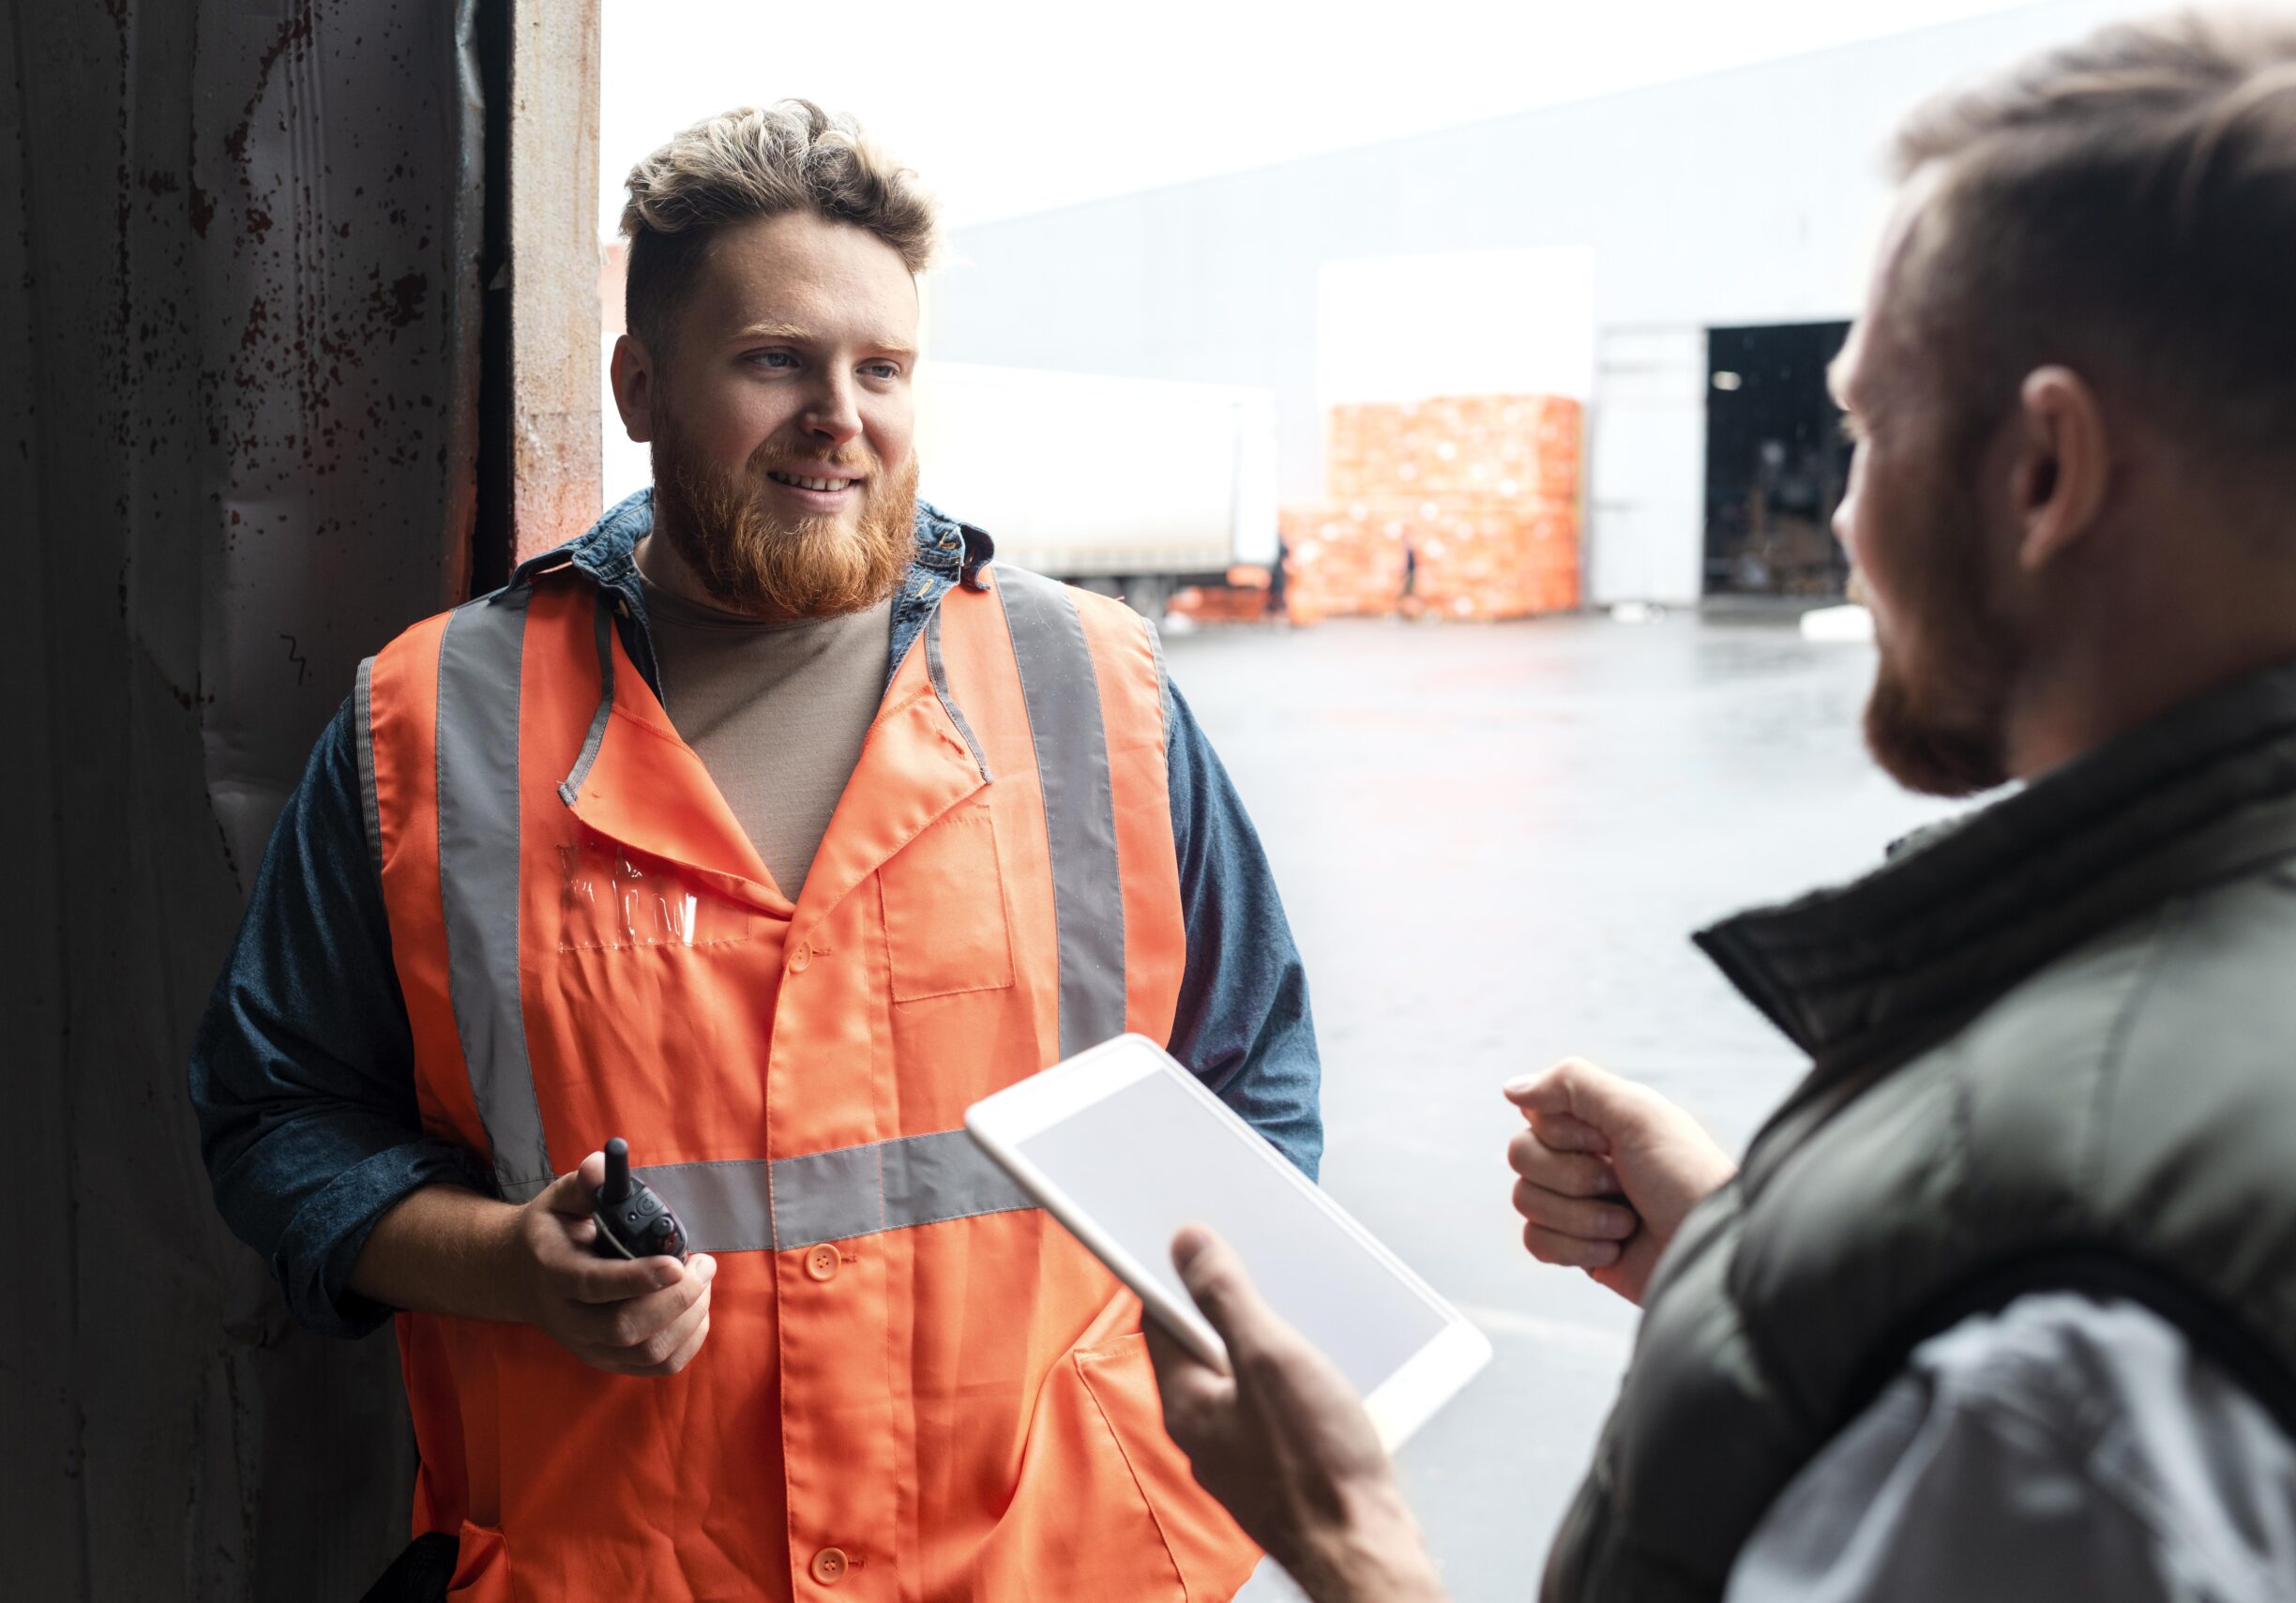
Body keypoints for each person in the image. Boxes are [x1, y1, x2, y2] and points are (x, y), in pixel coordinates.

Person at [1149, 14, 2296, 1601]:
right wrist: (1753, 1257)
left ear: (2044, 469)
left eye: (1865, 427)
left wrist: (1349, 1543)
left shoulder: (2081, 1339)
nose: (1834, 513)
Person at [189, 100, 1321, 1601]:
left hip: (1054, 1567)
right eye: (778, 358)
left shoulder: (1094, 687)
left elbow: (1256, 1101)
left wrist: (1184, 1483)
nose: (839, 414)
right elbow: (277, 1119)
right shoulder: (432, 720)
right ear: (641, 383)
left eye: (884, 368)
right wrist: (507, 1263)